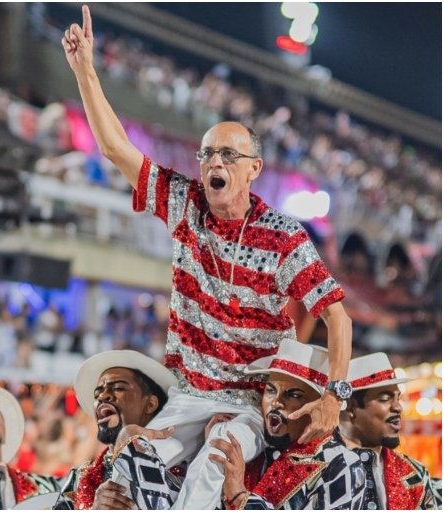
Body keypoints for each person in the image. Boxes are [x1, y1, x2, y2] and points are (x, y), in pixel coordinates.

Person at [61, 6, 353, 509]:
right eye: (206, 154)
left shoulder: (282, 237)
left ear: (254, 168)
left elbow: (337, 316)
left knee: (210, 469)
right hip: (189, 394)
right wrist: (86, 70)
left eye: (228, 155)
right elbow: (114, 148)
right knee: (131, 460)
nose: (213, 162)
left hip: (246, 401)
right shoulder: (184, 204)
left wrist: (335, 396)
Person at [208, 339, 365, 509]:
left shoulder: (342, 463)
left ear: (319, 408)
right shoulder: (249, 445)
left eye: (294, 395)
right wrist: (208, 453)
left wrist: (239, 496)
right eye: (270, 391)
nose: (276, 403)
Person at [53, 350, 179, 510]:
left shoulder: (176, 464)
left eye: (118, 388)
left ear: (150, 404)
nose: (103, 396)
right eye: (97, 393)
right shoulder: (79, 477)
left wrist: (131, 442)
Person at [337, 353, 442, 510]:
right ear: (351, 406)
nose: (398, 407)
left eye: (398, 398)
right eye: (385, 399)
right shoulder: (318, 469)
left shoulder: (414, 474)